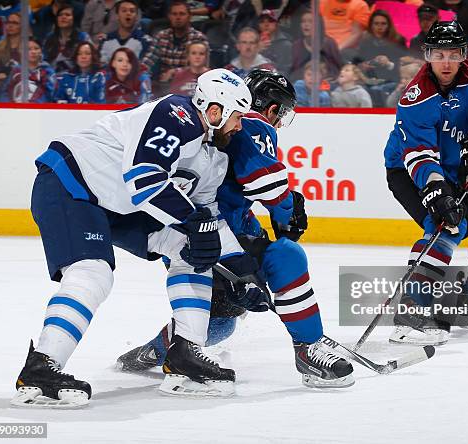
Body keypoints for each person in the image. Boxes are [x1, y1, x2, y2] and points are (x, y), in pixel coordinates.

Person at [11, 68, 253, 407]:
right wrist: (196, 221)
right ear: (216, 111)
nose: (240, 125)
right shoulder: (175, 115)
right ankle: (41, 366)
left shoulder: (213, 155)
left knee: (191, 248)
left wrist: (244, 271)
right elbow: (145, 180)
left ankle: (185, 354)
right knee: (92, 273)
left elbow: (206, 215)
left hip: (116, 203)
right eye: (237, 116)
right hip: (73, 184)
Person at [116, 69, 355, 389]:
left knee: (220, 323)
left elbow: (235, 205)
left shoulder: (213, 124)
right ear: (271, 109)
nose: (280, 123)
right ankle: (309, 349)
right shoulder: (255, 125)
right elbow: (268, 187)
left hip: (183, 233)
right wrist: (287, 211)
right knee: (287, 256)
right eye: (281, 115)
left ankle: (155, 351)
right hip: (209, 234)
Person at [384, 21, 468, 346]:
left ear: (463, 54)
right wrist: (435, 190)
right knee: (446, 227)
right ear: (428, 55)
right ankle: (409, 313)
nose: (445, 63)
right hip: (409, 170)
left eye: (453, 54)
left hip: (457, 167)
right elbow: (417, 154)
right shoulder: (415, 97)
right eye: (438, 54)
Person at [141, 0, 208, 94]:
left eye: (182, 14)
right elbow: (149, 60)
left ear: (189, 16)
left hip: (189, 85)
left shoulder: (199, 38)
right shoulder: (161, 36)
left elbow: (202, 66)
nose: (178, 17)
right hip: (164, 85)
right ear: (169, 17)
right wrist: (141, 73)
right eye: (174, 14)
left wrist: (175, 72)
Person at [290, 8, 342, 81]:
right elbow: (293, 72)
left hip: (327, 84)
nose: (306, 24)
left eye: (310, 21)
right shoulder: (296, 46)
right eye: (303, 21)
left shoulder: (329, 43)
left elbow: (337, 69)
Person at [99, 0, 152, 64]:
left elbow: (144, 68)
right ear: (117, 16)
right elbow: (102, 66)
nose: (128, 13)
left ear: (137, 17)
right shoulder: (106, 39)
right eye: (124, 11)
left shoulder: (145, 41)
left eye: (132, 11)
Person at [4, 37, 56, 102]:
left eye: (36, 48)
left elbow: (50, 94)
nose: (33, 52)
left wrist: (32, 105)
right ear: (21, 52)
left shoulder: (48, 72)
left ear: (41, 51)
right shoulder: (16, 71)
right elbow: (6, 92)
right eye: (28, 49)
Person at [43, 3, 92, 73]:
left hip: (75, 76)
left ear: (74, 19)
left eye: (67, 15)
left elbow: (91, 58)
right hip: (52, 76)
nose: (63, 17)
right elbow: (43, 59)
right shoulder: (49, 37)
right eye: (60, 15)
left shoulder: (83, 37)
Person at [257, 9, 293, 76]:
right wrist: (256, 51)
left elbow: (287, 71)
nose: (266, 24)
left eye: (270, 21)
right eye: (262, 21)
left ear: (276, 23)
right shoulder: (252, 42)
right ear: (258, 25)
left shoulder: (286, 45)